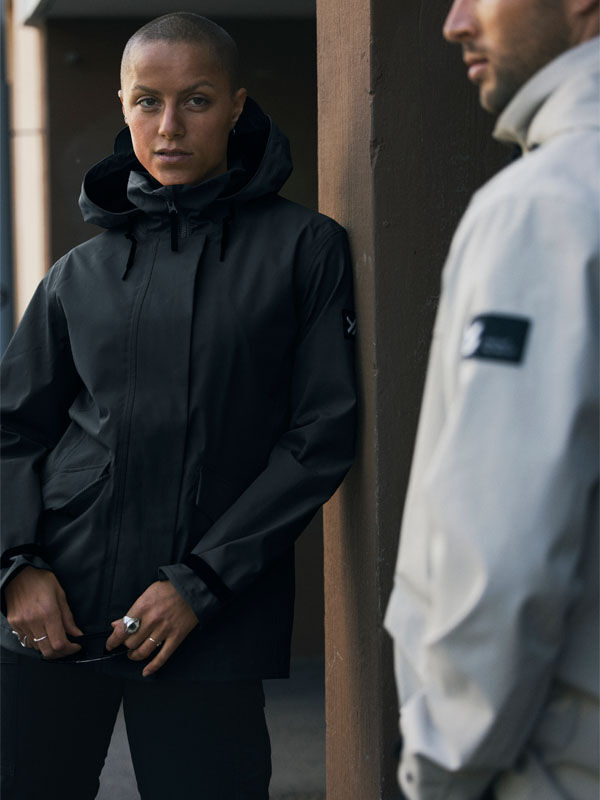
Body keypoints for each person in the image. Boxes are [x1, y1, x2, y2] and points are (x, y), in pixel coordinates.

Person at [0, 12, 356, 799]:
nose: (168, 127)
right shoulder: (77, 273)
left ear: (235, 106)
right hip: (54, 613)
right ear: (123, 105)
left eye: (195, 100)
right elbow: (13, 429)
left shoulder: (305, 249)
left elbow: (320, 436)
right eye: (146, 101)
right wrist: (17, 568)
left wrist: (200, 583)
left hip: (207, 623)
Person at [384, 1, 599, 798]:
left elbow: (504, 544)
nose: (454, 21)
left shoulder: (543, 205)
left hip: (549, 766)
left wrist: (439, 765)